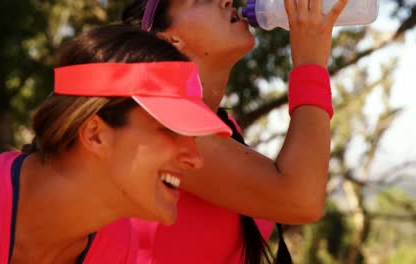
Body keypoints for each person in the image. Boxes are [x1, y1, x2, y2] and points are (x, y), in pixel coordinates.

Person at [0, 24, 232, 264]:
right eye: (170, 129)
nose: (196, 159)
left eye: (193, 137)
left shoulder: (118, 249)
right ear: (94, 133)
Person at [122, 0, 348, 263]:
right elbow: (300, 199)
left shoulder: (227, 128)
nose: (226, 0)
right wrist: (310, 63)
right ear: (171, 39)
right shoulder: (164, 127)